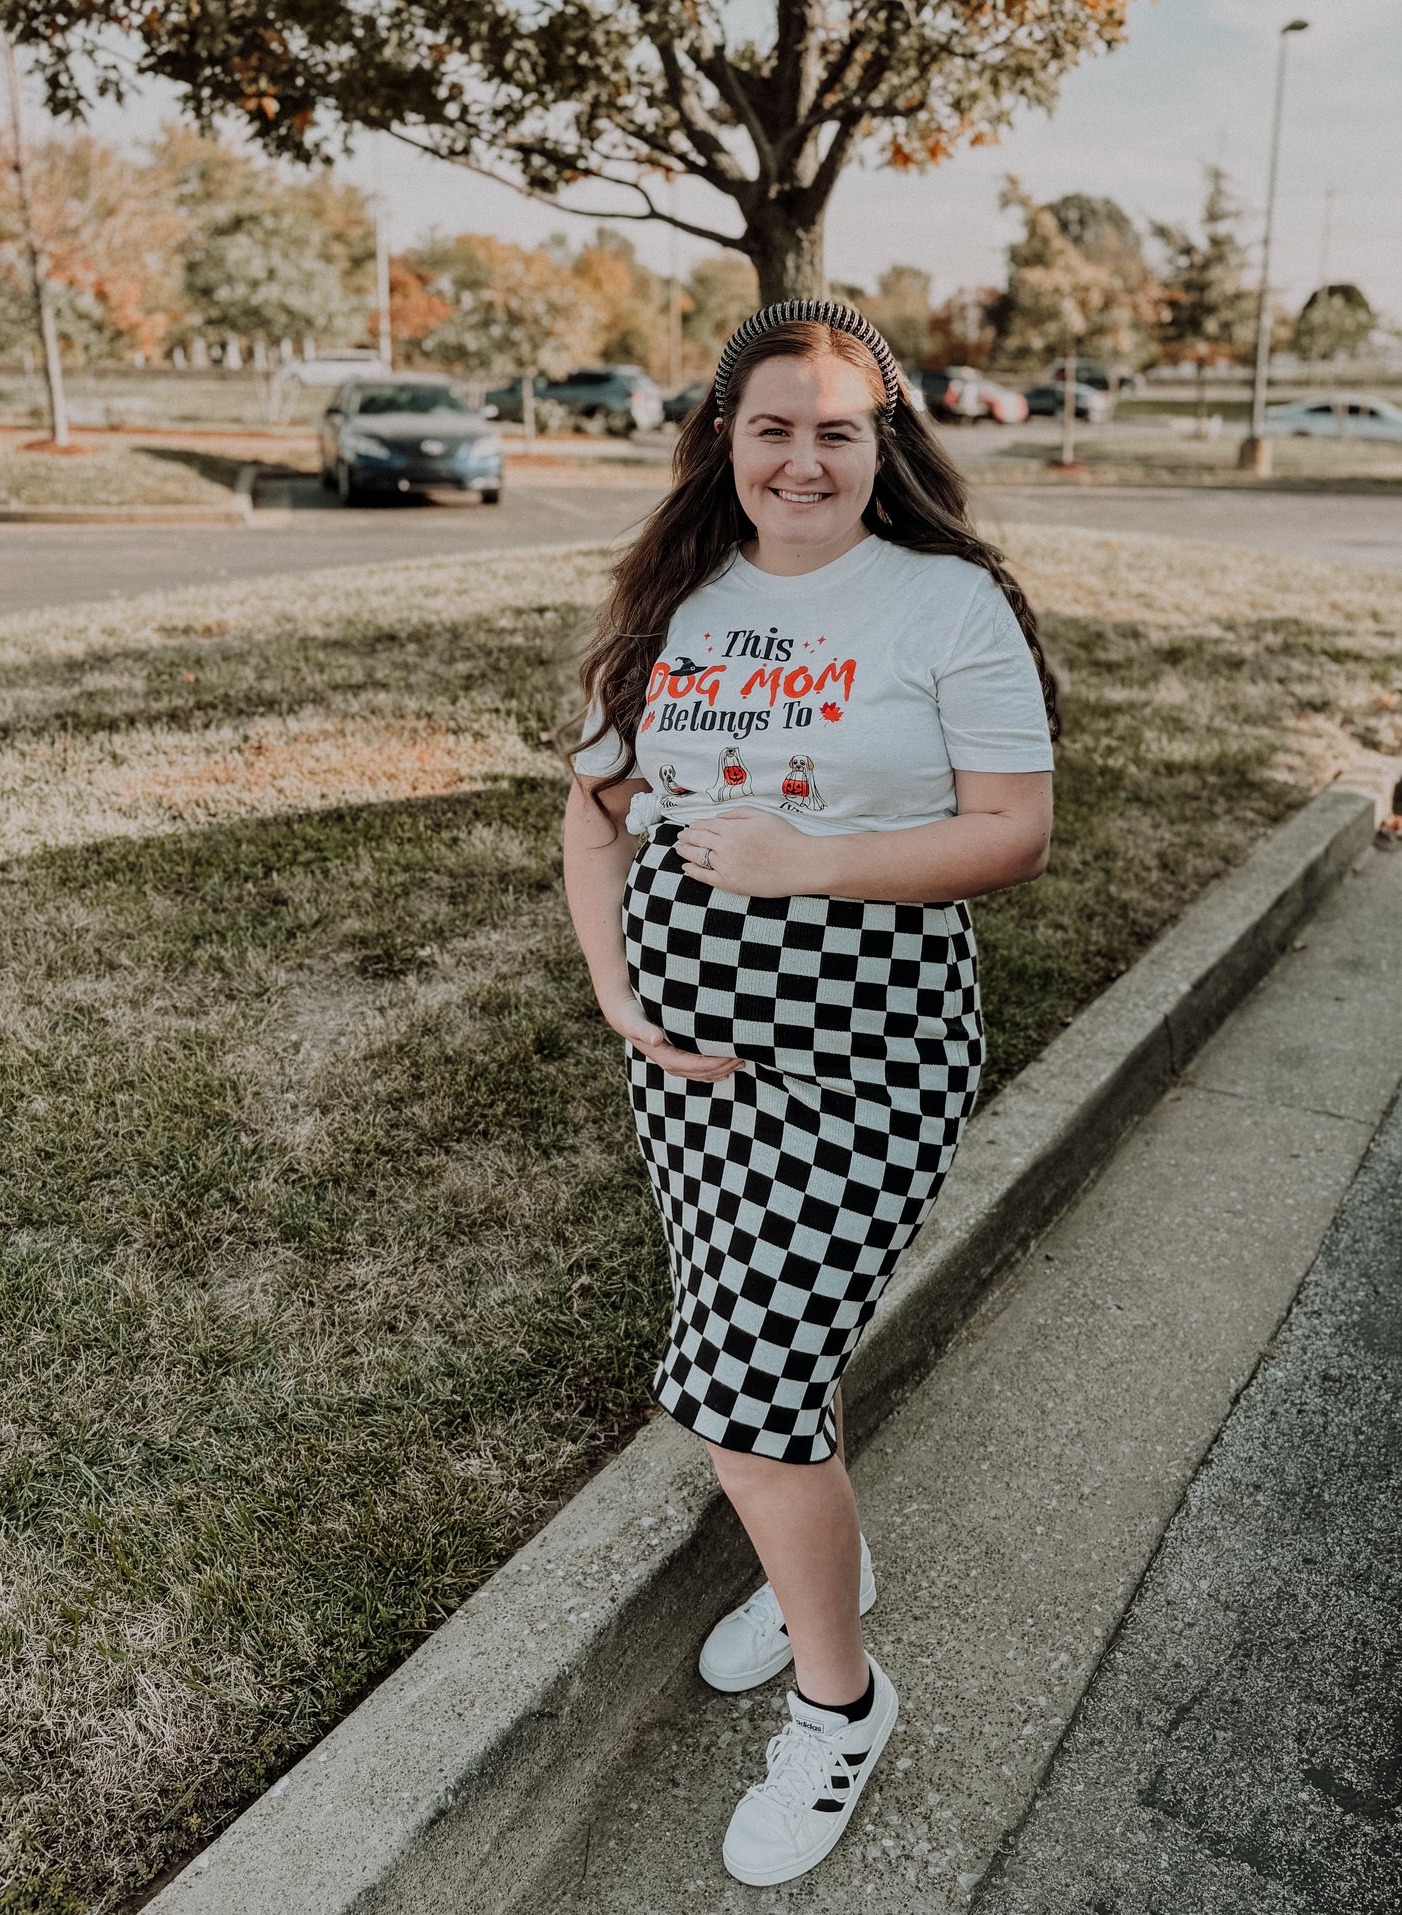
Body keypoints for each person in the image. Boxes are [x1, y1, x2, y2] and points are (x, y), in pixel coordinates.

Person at [563, 300, 1056, 1887]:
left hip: (870, 1052)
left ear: (880, 442)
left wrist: (812, 861)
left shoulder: (942, 603)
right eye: (771, 425)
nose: (803, 456)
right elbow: (594, 815)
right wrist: (624, 1000)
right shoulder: (674, 607)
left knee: (743, 1383)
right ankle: (804, 1577)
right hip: (690, 1074)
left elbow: (1009, 833)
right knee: (761, 1357)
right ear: (723, 435)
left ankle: (840, 1704)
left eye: (837, 429)